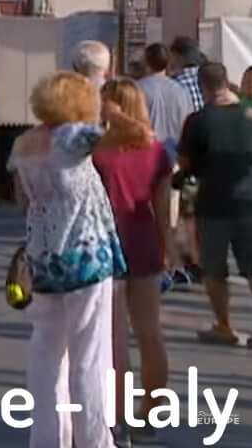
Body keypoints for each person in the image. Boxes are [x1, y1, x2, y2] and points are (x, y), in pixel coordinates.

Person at [8, 70, 144, 448]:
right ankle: (94, 440)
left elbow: (23, 200)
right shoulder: (73, 136)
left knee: (47, 352)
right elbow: (139, 136)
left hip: (45, 255)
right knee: (90, 355)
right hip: (85, 255)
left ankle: (48, 439)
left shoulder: (25, 143)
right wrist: (113, 108)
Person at [90, 78, 174, 432]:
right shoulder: (156, 153)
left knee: (114, 338)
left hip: (107, 246)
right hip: (145, 242)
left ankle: (118, 417)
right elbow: (164, 206)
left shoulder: (97, 152)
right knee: (149, 333)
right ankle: (151, 412)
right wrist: (167, 248)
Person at [176, 62, 252, 347]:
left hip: (212, 204)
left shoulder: (198, 121)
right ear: (227, 82)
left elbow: (185, 163)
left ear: (203, 87)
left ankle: (224, 325)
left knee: (214, 268)